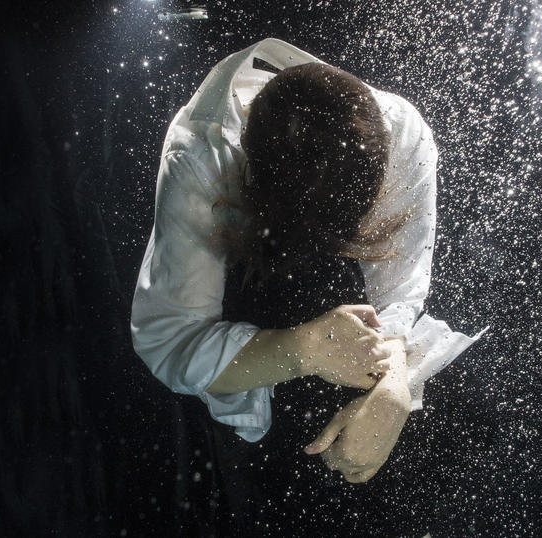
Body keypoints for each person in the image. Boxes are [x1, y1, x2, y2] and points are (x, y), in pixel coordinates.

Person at [131, 38, 485, 534]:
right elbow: (169, 341)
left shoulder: (402, 134)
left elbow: (400, 290)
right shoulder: (202, 155)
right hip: (252, 387)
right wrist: (302, 349)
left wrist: (395, 384)